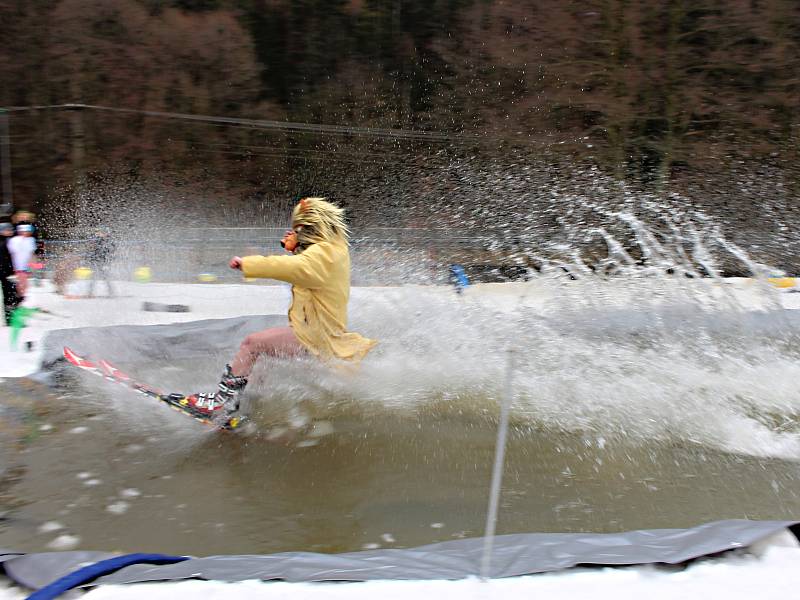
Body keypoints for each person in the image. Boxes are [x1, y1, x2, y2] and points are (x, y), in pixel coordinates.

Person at [186, 197, 377, 420]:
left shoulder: (324, 254)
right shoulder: (333, 250)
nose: (294, 233)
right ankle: (246, 408)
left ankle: (222, 403)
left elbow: (297, 268)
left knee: (252, 343)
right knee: (263, 357)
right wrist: (298, 248)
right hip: (321, 332)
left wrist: (250, 264)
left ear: (311, 228)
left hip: (315, 335)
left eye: (299, 229)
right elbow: (308, 271)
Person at [7, 224, 36, 299]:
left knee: (25, 281)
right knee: (21, 281)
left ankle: (22, 296)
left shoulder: (31, 240)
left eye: (27, 231)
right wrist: (13, 266)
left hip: (27, 264)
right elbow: (12, 253)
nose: (25, 233)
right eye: (23, 231)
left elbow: (32, 253)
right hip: (18, 264)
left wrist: (33, 265)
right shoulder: (14, 240)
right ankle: (20, 296)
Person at [0, 222, 21, 325]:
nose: (10, 232)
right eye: (7, 230)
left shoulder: (7, 242)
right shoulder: (4, 243)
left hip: (6, 272)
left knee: (10, 295)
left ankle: (10, 318)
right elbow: (6, 259)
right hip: (5, 273)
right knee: (10, 295)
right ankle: (10, 318)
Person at [86, 228, 116, 297]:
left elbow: (109, 251)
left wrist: (107, 261)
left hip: (104, 262)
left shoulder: (108, 241)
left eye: (100, 233)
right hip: (97, 261)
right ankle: (90, 292)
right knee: (94, 277)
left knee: (106, 277)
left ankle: (111, 292)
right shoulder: (98, 240)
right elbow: (94, 251)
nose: (98, 234)